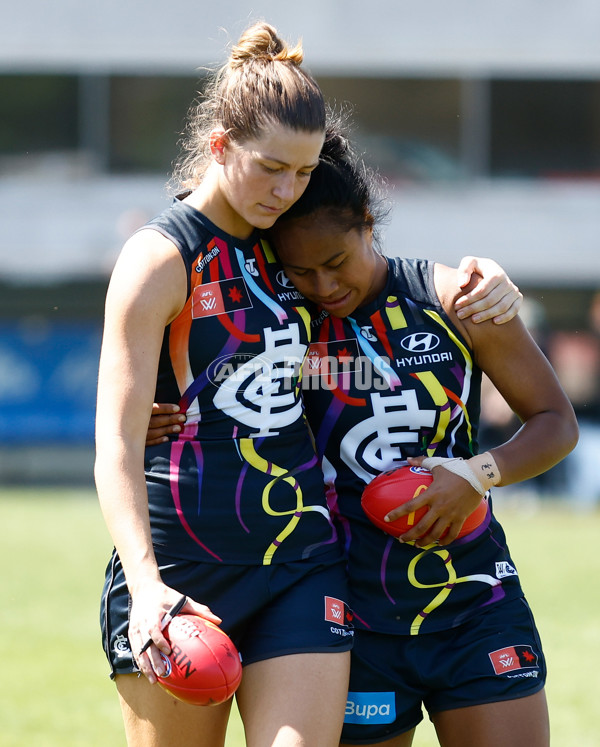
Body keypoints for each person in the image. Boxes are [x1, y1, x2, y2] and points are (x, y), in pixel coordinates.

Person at [146, 132, 576, 747]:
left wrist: (477, 474)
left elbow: (555, 422)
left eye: (336, 262)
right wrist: (157, 416)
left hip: (476, 602)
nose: (323, 286)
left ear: (368, 225)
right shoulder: (279, 324)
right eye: (301, 271)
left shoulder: (454, 300)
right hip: (349, 622)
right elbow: (193, 371)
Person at [95, 22, 353, 747]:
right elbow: (113, 446)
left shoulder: (299, 248)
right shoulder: (159, 259)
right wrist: (147, 589)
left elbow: (374, 306)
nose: (287, 190)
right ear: (219, 145)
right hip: (180, 572)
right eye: (272, 167)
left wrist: (475, 282)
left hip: (300, 562)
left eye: (303, 172)